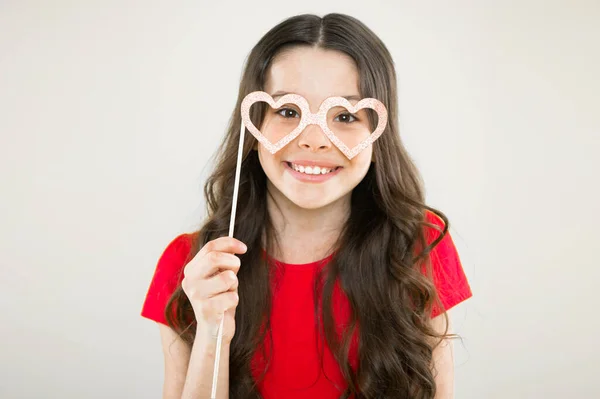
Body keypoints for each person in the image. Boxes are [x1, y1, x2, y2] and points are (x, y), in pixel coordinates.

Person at [141, 13, 472, 399]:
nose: (314, 140)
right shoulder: (192, 265)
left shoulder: (418, 247)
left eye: (346, 116)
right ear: (253, 128)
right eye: (288, 112)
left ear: (378, 136)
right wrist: (213, 333)